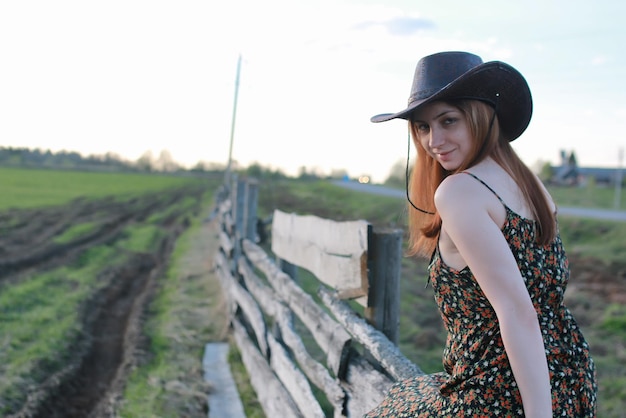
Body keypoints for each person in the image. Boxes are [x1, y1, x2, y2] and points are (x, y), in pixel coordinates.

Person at [364, 51, 597, 417]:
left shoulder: (459, 192)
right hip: (571, 379)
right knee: (410, 391)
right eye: (423, 127)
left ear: (481, 114)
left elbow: (518, 311)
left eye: (448, 120)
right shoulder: (527, 180)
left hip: (501, 392)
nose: (433, 140)